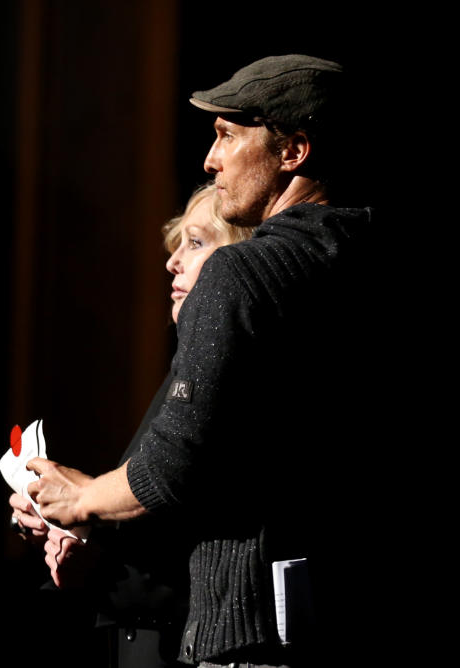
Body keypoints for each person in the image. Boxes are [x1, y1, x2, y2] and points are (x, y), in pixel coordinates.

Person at [24, 55, 381, 667]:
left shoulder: (240, 273)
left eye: (227, 136)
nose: (211, 161)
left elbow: (171, 469)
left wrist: (72, 500)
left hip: (253, 637)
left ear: (293, 151)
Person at [10, 182, 258, 668]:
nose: (172, 261)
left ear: (243, 264)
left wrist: (85, 514)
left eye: (197, 242)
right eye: (178, 244)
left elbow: (206, 554)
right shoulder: (183, 371)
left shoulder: (233, 374)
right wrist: (72, 530)